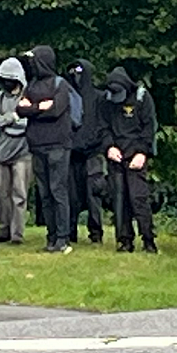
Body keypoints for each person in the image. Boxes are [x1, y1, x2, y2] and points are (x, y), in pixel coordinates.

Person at [17, 46, 73, 254]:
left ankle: (62, 237)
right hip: (37, 145)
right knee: (45, 193)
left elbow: (56, 111)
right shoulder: (31, 85)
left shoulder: (60, 84)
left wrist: (33, 108)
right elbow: (20, 109)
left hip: (58, 145)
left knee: (58, 190)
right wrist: (39, 107)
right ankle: (51, 236)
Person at [102, 67, 158, 253]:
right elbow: (103, 128)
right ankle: (124, 240)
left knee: (138, 198)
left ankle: (148, 239)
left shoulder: (142, 98)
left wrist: (142, 152)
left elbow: (149, 128)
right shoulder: (107, 100)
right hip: (116, 155)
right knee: (119, 200)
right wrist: (109, 147)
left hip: (136, 155)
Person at [66, 59, 108, 244]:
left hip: (93, 153)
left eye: (79, 73)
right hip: (72, 153)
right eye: (73, 73)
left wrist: (95, 142)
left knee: (94, 193)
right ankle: (70, 231)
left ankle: (96, 233)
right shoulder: (67, 96)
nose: (76, 77)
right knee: (71, 195)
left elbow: (104, 124)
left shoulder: (99, 98)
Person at [0, 57, 31, 245]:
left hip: (23, 150)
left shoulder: (28, 95)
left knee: (19, 192)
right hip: (2, 149)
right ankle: (3, 227)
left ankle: (17, 233)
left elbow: (27, 122)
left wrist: (10, 119)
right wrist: (13, 116)